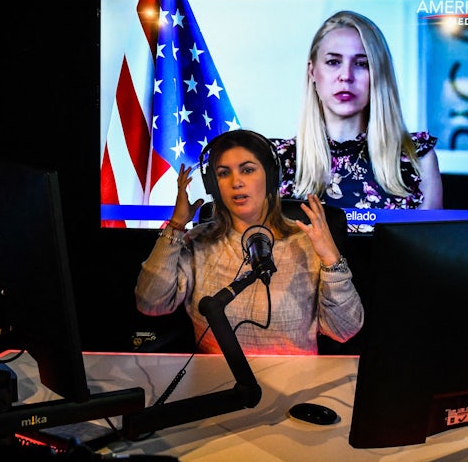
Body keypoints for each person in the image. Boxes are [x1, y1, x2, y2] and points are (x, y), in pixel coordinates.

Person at [134, 129, 364, 355]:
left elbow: (344, 330)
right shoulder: (197, 241)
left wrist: (331, 259)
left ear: (271, 176)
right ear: (214, 185)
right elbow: (151, 303)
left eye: (247, 170)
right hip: (216, 380)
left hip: (296, 380)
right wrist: (176, 226)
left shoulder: (308, 241)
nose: (236, 182)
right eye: (224, 173)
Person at [271, 10, 442, 231]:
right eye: (333, 62)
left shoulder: (418, 159)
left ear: (378, 74)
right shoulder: (277, 160)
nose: (346, 76)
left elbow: (431, 260)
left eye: (361, 64)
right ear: (312, 72)